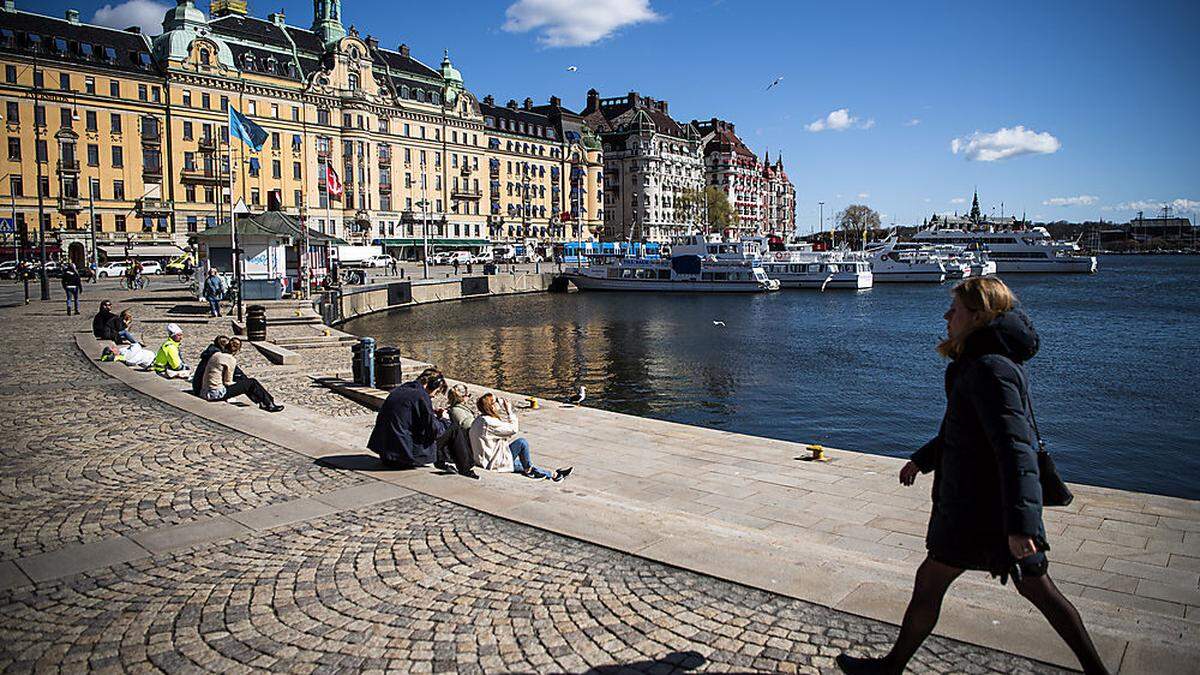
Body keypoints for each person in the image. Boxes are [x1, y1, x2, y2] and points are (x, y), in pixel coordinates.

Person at [836, 277, 1108, 675]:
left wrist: (1021, 525)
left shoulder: (989, 368)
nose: (947, 316)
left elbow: (1017, 449)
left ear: (977, 316)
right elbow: (963, 430)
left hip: (984, 511)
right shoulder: (984, 362)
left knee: (952, 583)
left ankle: (890, 668)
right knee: (1025, 589)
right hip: (985, 507)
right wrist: (922, 460)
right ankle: (891, 666)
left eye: (955, 310)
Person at [469, 392, 570, 481]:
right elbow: (513, 429)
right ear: (492, 406)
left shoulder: (479, 420)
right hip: (494, 462)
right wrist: (509, 411)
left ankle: (553, 474)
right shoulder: (490, 422)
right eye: (496, 401)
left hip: (484, 458)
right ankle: (545, 473)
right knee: (522, 443)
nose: (500, 402)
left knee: (525, 463)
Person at [367, 367, 448, 468]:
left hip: (385, 452)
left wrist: (431, 412)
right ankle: (459, 468)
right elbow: (433, 429)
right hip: (404, 455)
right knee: (452, 429)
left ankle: (445, 464)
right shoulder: (421, 395)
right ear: (430, 385)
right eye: (436, 392)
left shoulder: (401, 389)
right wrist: (444, 420)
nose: (434, 396)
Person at [198, 337, 284, 412]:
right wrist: (242, 385)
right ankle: (269, 404)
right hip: (215, 393)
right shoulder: (230, 359)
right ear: (237, 350)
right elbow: (228, 382)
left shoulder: (216, 354)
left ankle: (263, 401)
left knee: (245, 382)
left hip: (204, 391)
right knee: (251, 382)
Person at [434, 384, 480, 478]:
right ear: (463, 397)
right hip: (467, 446)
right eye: (468, 396)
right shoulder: (457, 411)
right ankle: (465, 468)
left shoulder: (457, 409)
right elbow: (468, 426)